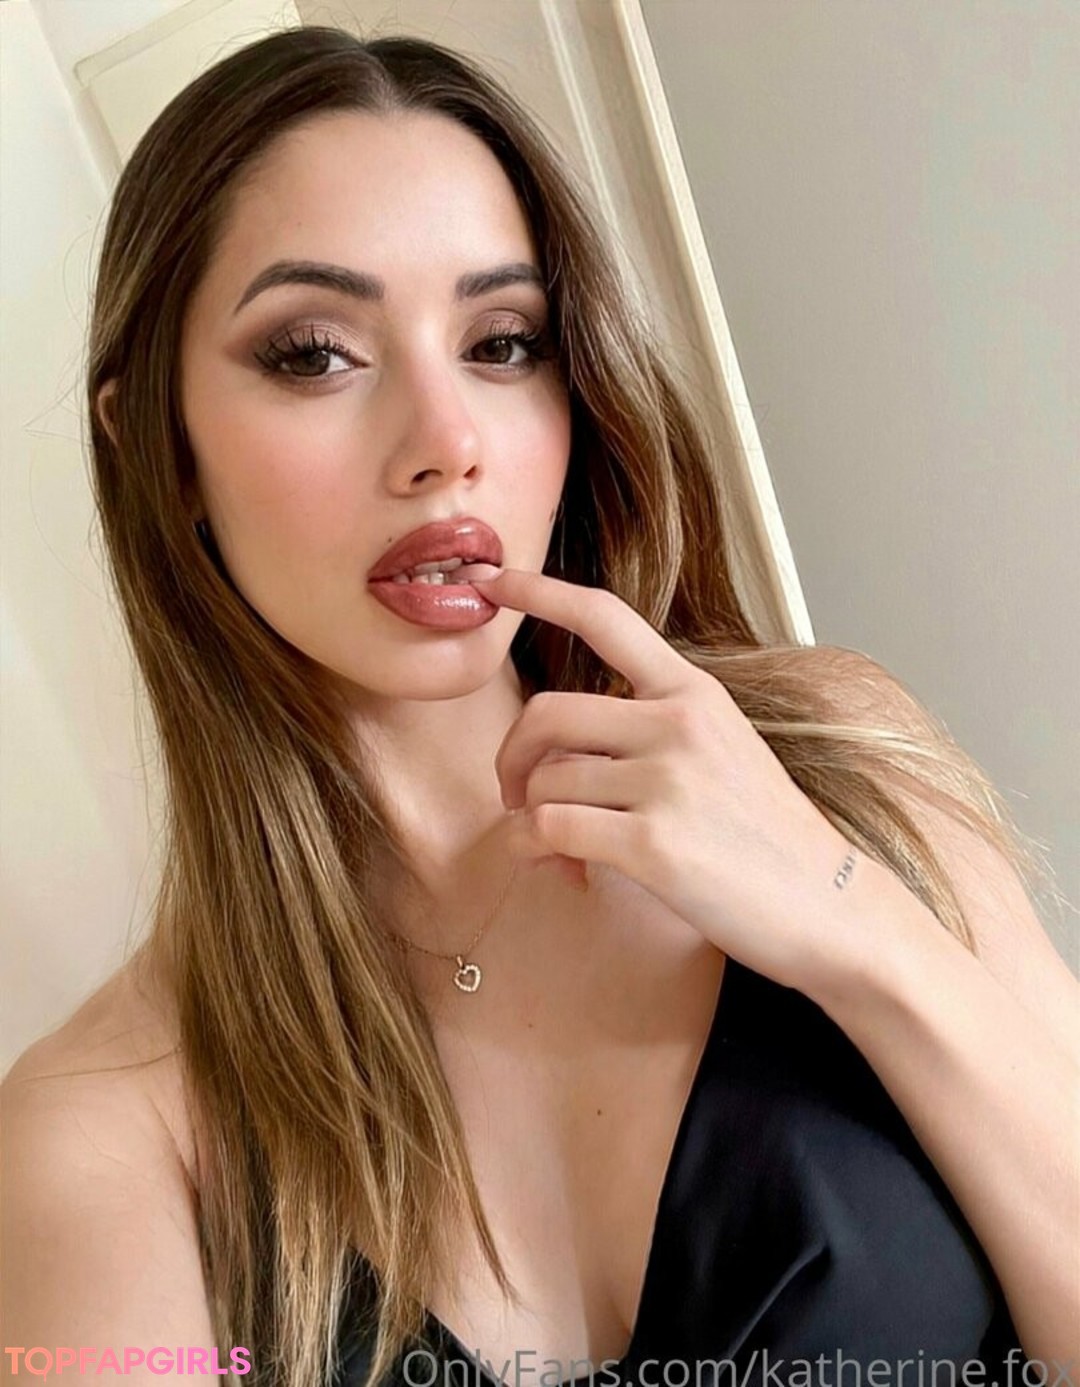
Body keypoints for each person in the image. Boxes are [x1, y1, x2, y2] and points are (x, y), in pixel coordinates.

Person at [2, 24, 1077, 1387]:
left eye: (502, 342)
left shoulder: (838, 764)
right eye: (316, 354)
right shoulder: (107, 1128)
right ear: (159, 446)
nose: (445, 442)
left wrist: (850, 922)